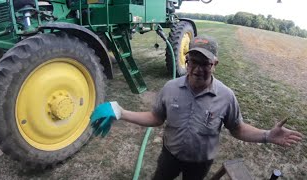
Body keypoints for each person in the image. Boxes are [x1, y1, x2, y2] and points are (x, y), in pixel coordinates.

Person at [90, 35, 303, 180]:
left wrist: (267, 135)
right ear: (187, 60)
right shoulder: (170, 88)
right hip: (169, 156)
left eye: (206, 64)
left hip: (200, 162)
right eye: (193, 61)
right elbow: (156, 117)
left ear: (215, 64)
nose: (198, 69)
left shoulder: (226, 97)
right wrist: (122, 112)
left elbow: (237, 128)